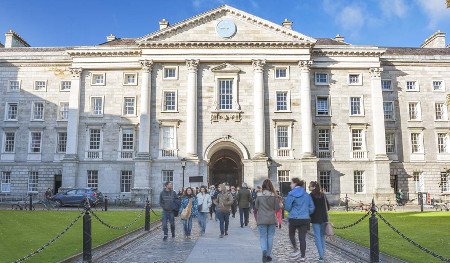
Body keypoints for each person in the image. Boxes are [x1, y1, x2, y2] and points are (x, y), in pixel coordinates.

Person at [285, 178, 315, 262]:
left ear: (295, 184)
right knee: (302, 238)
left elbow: (287, 207)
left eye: (291, 183)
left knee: (291, 234)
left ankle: (295, 249)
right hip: (304, 218)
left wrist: (292, 209)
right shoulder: (306, 194)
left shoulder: (291, 194)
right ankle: (302, 256)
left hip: (294, 218)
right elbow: (312, 208)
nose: (290, 185)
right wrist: (305, 212)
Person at [255, 179, 280, 262]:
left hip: (262, 218)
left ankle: (264, 250)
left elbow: (256, 207)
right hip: (271, 218)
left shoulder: (259, 195)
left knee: (262, 236)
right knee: (270, 237)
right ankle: (268, 255)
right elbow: (277, 208)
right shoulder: (274, 195)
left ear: (263, 186)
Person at [309, 181, 330, 262]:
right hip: (323, 218)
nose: (309, 187)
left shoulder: (311, 195)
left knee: (318, 237)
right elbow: (328, 207)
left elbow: (310, 208)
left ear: (314, 187)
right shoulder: (323, 195)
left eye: (310, 186)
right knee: (322, 237)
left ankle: (321, 256)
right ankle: (322, 254)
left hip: (315, 219)